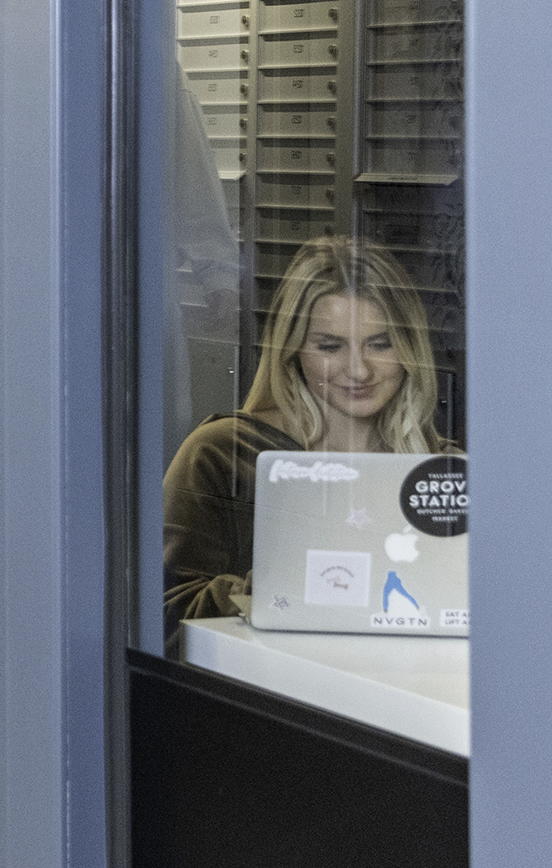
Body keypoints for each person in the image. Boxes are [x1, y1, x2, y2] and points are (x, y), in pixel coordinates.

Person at [162, 236, 448, 632]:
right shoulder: (222, 453)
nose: (359, 370)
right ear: (292, 351)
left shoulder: (444, 469)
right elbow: (161, 618)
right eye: (330, 346)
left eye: (381, 344)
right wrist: (289, 581)